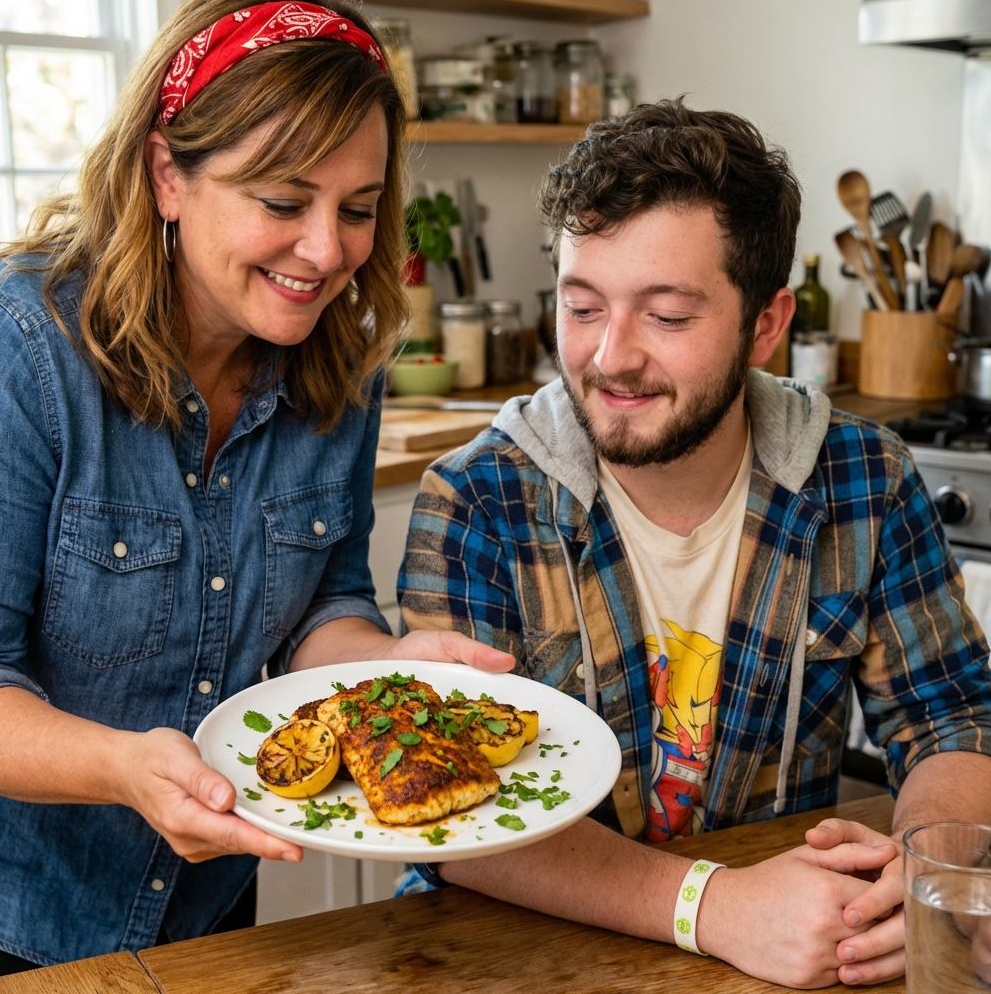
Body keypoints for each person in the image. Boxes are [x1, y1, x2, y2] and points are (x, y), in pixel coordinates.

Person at [0, 0, 511, 981]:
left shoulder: (340, 365)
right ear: (167, 173)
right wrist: (123, 767)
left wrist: (386, 666)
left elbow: (326, 606)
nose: (327, 252)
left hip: (212, 909)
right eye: (281, 201)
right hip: (8, 925)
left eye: (357, 209)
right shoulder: (14, 347)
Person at [397, 99, 991, 988]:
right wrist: (707, 906)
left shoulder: (864, 478)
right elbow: (449, 824)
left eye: (668, 316)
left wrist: (926, 867)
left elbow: (951, 717)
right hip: (502, 951)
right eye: (582, 306)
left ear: (766, 322)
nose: (610, 357)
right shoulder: (477, 498)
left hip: (780, 952)